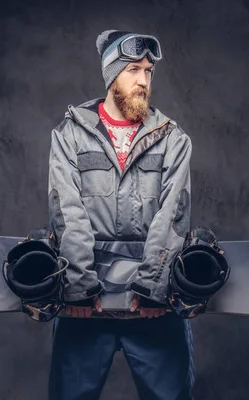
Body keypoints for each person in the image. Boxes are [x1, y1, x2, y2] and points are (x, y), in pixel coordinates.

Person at [46, 30, 195, 400]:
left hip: (152, 304)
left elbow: (172, 216)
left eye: (148, 71)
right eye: (133, 70)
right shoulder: (70, 135)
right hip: (86, 304)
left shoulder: (173, 139)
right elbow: (67, 212)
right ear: (111, 75)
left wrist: (153, 289)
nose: (143, 80)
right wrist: (78, 288)